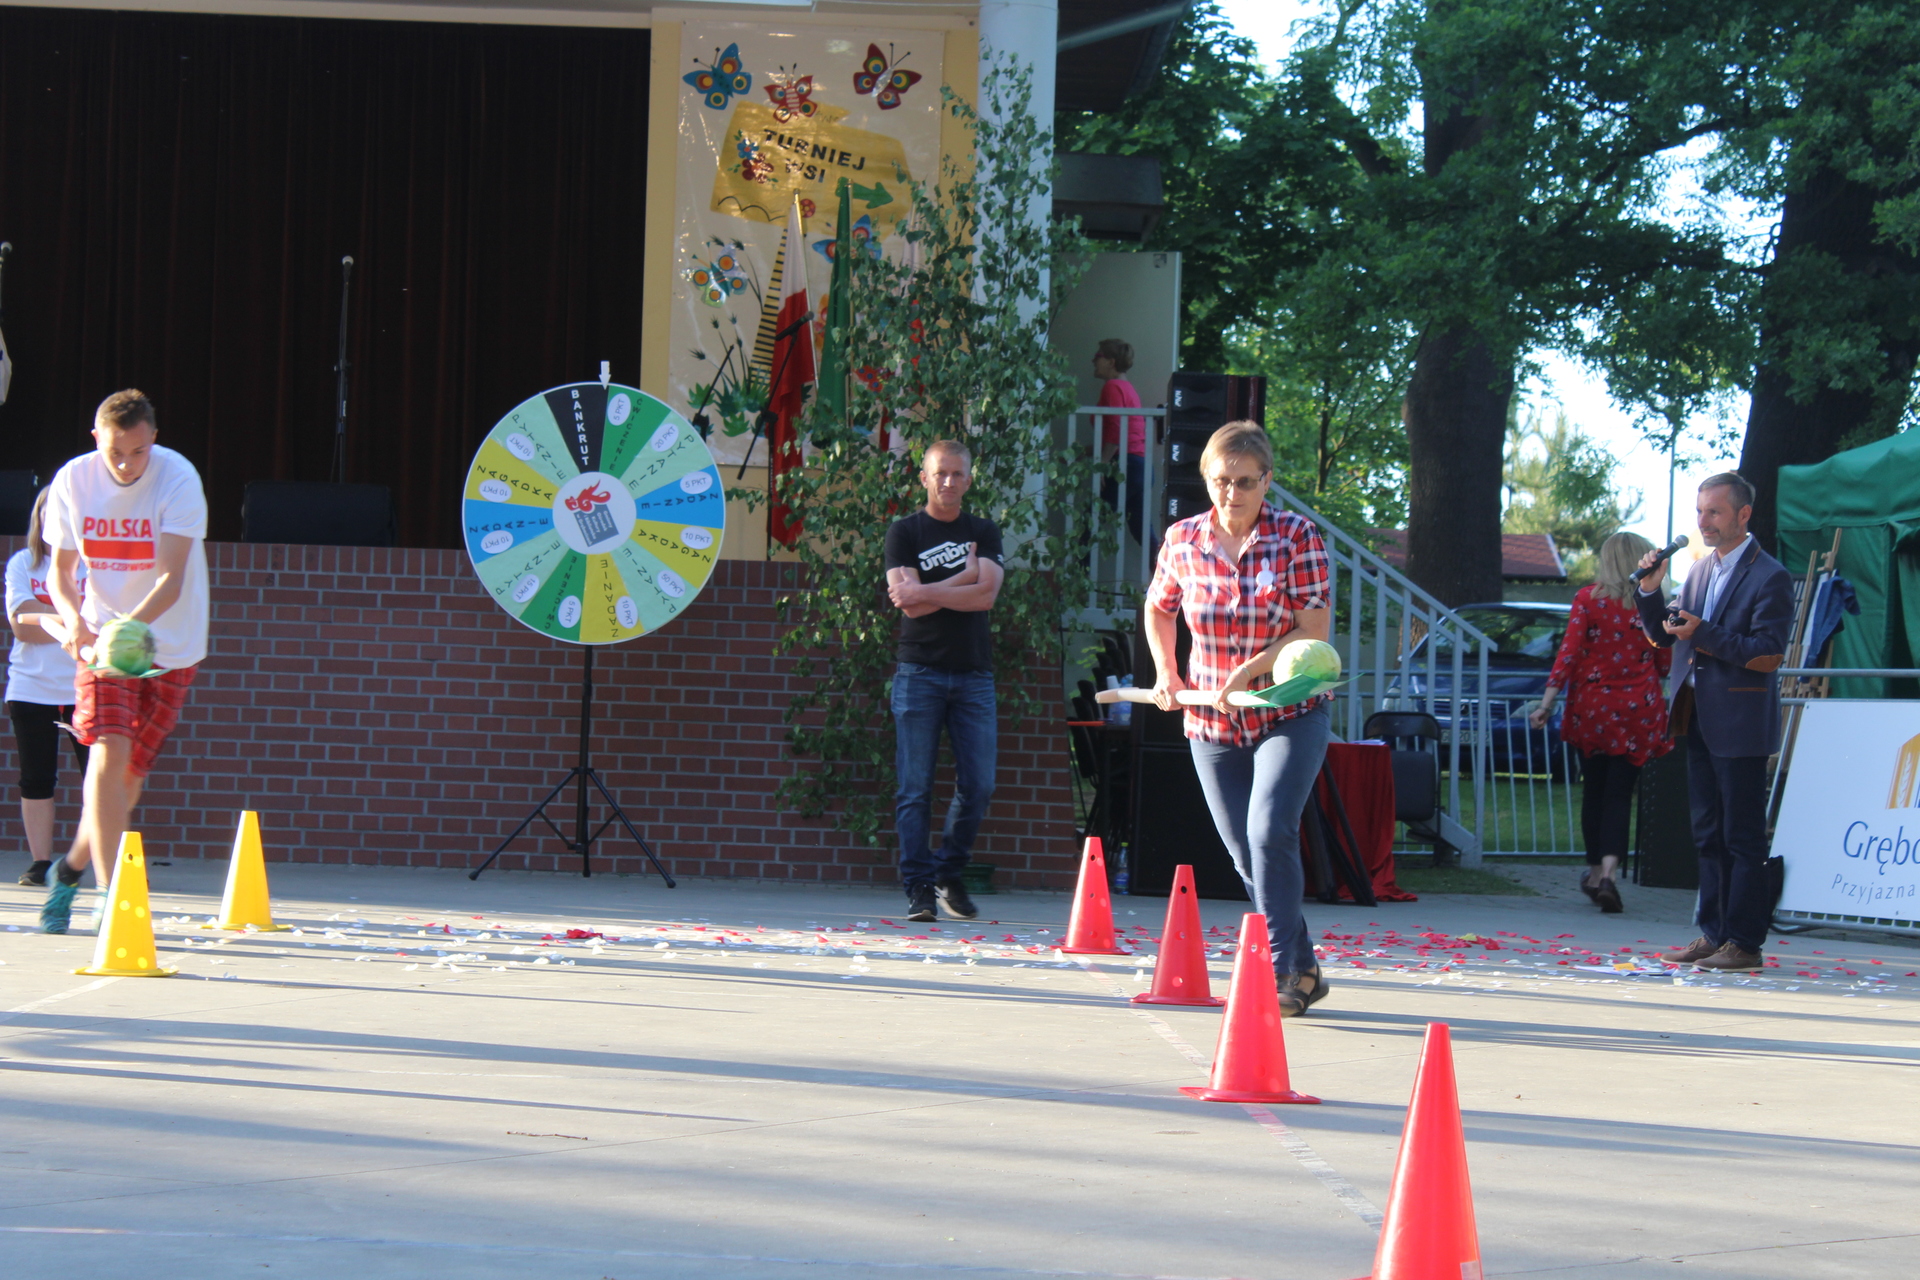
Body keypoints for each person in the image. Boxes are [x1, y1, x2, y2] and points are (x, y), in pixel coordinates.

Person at [1145, 420, 1333, 1015]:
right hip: (1212, 722)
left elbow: (1314, 630)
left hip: (1289, 710)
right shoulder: (1182, 539)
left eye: (1245, 482)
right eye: (1221, 481)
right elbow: (1159, 608)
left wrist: (1250, 671)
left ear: (1266, 481)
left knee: (1269, 830)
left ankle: (1280, 972)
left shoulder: (1297, 537)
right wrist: (1167, 672)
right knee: (1245, 854)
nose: (1232, 493)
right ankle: (1304, 967)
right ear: (1206, 479)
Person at [38, 389, 210, 934]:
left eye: (138, 452)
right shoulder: (74, 480)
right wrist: (76, 622)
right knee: (109, 754)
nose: (126, 464)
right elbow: (60, 574)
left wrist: (124, 632)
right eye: (115, 452)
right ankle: (111, 897)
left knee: (129, 780)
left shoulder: (178, 478)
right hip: (102, 642)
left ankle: (70, 867)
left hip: (170, 643)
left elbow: (172, 578)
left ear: (153, 439)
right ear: (97, 438)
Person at [1635, 473, 1792, 972]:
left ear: (1744, 514)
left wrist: (1704, 633)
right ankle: (1713, 933)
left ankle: (1744, 942)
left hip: (1741, 721)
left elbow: (1768, 654)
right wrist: (1650, 591)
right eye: (1700, 511)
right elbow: (1666, 636)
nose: (1703, 521)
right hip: (1697, 715)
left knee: (1741, 836)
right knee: (1707, 832)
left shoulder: (1770, 575)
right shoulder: (1700, 571)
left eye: (1715, 512)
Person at [884, 440, 1004, 923]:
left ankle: (948, 871)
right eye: (940, 473)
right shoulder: (905, 532)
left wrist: (926, 589)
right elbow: (908, 606)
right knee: (914, 789)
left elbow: (986, 596)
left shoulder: (983, 530)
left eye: (957, 474)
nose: (949, 482)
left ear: (969, 481)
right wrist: (963, 577)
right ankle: (919, 889)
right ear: (924, 478)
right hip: (919, 672)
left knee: (979, 785)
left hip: (973, 674)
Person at [1528, 531, 1671, 913]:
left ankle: (1593, 874)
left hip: (1592, 710)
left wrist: (1545, 704)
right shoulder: (1653, 604)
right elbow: (1663, 662)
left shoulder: (1588, 600)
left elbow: (1568, 653)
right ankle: (1609, 873)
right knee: (1620, 794)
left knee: (1594, 792)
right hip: (1638, 710)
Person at [8, 487, 90, 887]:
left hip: (85, 688)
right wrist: (74, 619)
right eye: (50, 512)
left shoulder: (92, 567)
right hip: (31, 689)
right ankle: (40, 863)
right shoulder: (23, 564)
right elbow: (21, 626)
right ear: (39, 519)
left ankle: (105, 864)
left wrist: (45, 617)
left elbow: (100, 623)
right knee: (36, 779)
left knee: (100, 779)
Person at [1094, 339, 1147, 545]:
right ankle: (1166, 566)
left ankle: (1079, 567)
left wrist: (1101, 465)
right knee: (1141, 530)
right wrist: (1085, 452)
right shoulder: (1126, 387)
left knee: (1090, 522)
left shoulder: (1113, 386)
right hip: (1138, 466)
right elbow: (1118, 433)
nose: (1093, 361)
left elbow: (1117, 430)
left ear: (1111, 362)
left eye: (1098, 356)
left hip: (1126, 466)